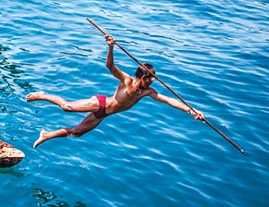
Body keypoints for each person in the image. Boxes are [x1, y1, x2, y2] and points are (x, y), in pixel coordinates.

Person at [27, 34, 205, 148]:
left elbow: (169, 100)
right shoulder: (127, 80)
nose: (151, 82)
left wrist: (191, 110)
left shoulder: (148, 92)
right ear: (140, 77)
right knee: (67, 107)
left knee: (77, 132)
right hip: (101, 103)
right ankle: (43, 95)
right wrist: (110, 47)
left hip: (104, 114)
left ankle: (46, 135)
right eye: (149, 78)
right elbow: (110, 66)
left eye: (152, 79)